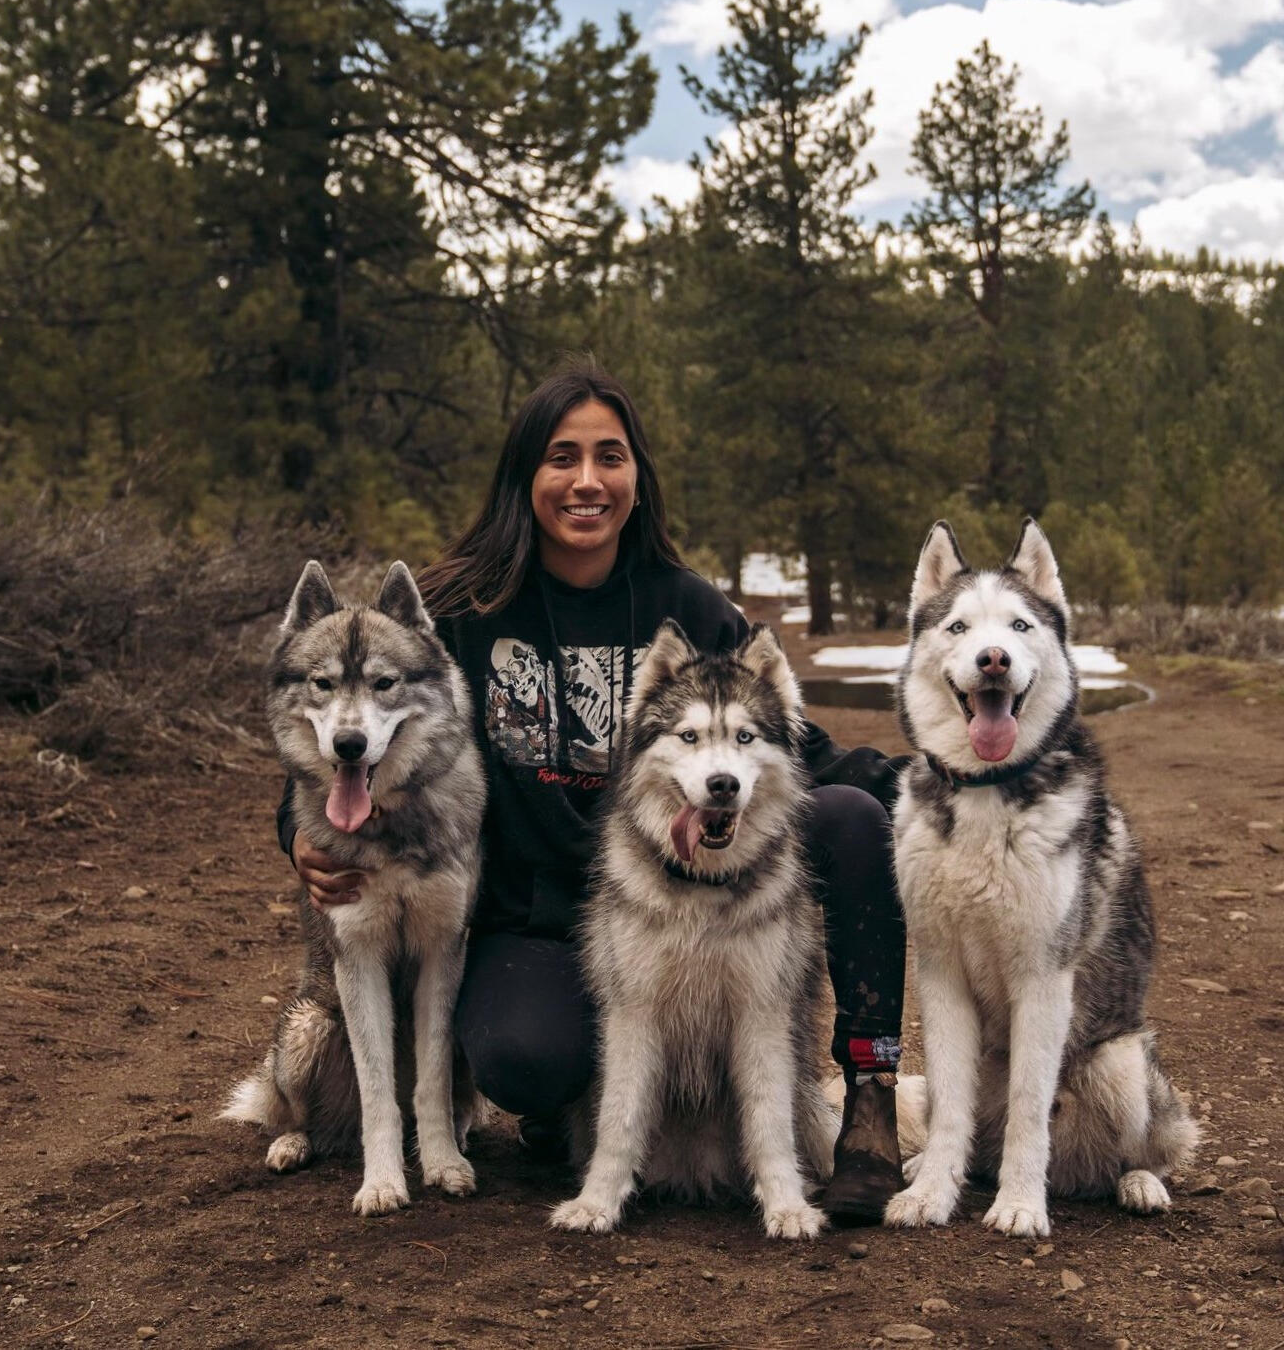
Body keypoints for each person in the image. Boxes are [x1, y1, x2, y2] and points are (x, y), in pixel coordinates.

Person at [278, 363, 909, 1224]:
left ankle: (870, 1102)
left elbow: (788, 742)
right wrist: (296, 830)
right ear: (523, 476)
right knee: (523, 1059)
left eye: (609, 457)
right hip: (536, 917)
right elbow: (351, 714)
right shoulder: (459, 608)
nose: (586, 481)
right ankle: (566, 1103)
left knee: (852, 818)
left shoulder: (686, 606)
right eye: (560, 457)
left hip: (671, 898)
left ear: (637, 478)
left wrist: (934, 780)